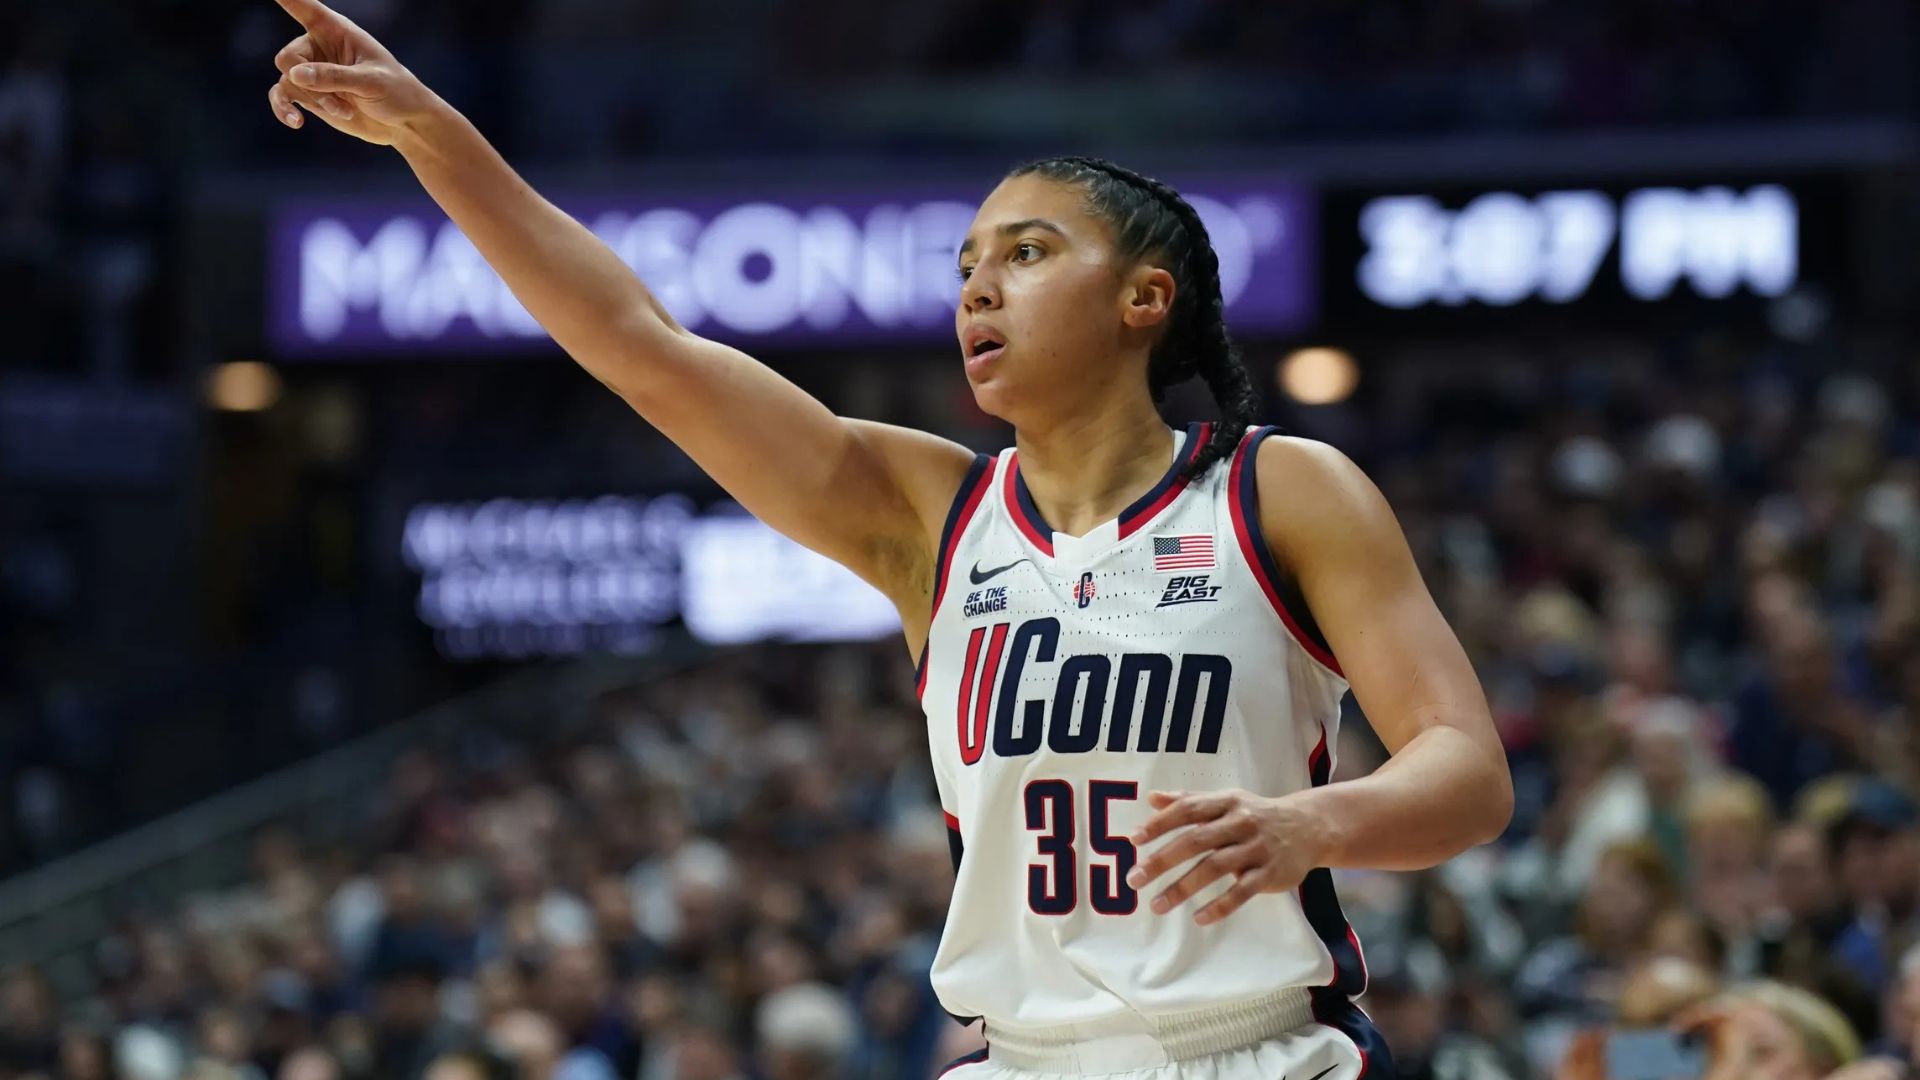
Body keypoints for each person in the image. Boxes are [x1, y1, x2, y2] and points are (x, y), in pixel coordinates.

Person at [260, 2, 1514, 1075]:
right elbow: (644, 348)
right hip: (1020, 1054)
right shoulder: (933, 514)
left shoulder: (1279, 490)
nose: (978, 286)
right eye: (967, 265)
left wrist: (1317, 824)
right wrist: (430, 132)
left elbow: (1467, 771)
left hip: (1258, 1048)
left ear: (1145, 298)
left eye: (1028, 253)